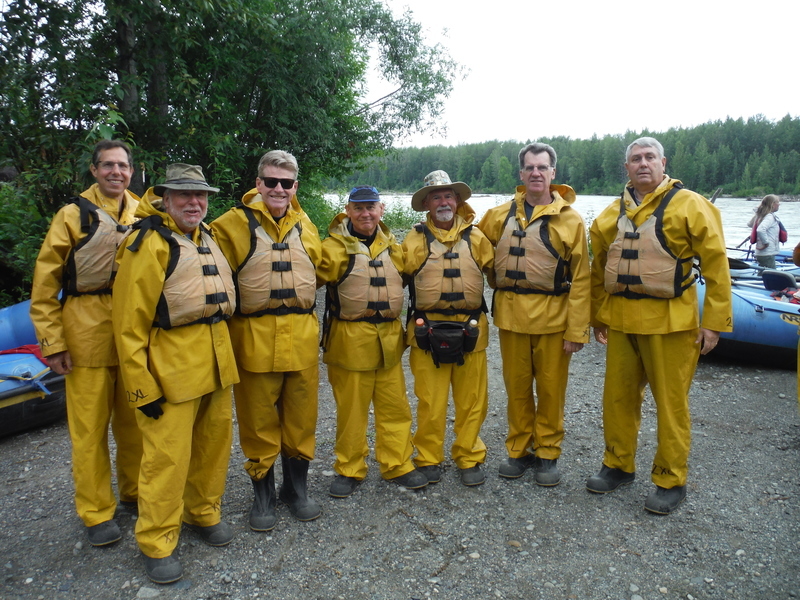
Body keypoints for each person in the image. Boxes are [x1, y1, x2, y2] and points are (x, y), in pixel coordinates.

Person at [587, 137, 733, 515]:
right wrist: (597, 316)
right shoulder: (608, 216)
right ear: (627, 168)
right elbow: (597, 270)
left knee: (671, 406)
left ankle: (670, 478)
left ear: (663, 162)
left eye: (650, 157)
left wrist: (714, 323)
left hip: (672, 323)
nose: (643, 164)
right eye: (635, 159)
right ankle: (618, 465)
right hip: (621, 321)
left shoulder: (691, 205)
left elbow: (717, 266)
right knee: (617, 400)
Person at [113, 164, 239, 584]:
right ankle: (157, 539)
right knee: (166, 460)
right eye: (183, 195)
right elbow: (128, 326)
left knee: (213, 446)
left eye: (200, 196)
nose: (193, 202)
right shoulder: (148, 243)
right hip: (171, 371)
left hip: (218, 363)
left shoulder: (209, 238)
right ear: (164, 199)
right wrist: (140, 386)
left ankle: (203, 511)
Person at [29, 139, 143, 547]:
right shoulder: (71, 216)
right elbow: (44, 286)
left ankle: (134, 492)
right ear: (94, 170)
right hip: (85, 336)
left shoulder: (143, 211)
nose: (116, 172)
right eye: (108, 165)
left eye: (123, 166)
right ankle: (96, 511)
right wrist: (53, 343)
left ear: (132, 171)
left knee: (135, 425)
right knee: (90, 431)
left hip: (134, 337)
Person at [211, 150, 322, 531]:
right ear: (258, 183)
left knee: (302, 417)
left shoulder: (306, 224)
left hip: (302, 340)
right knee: (258, 421)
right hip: (254, 338)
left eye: (286, 183)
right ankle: (263, 491)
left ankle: (297, 487)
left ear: (295, 187)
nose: (278, 189)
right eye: (271, 181)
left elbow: (318, 271)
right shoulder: (228, 225)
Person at [477, 143, 590, 486]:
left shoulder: (571, 221)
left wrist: (577, 330)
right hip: (511, 317)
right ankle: (518, 449)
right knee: (517, 388)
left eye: (543, 167)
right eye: (530, 168)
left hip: (554, 318)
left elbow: (583, 279)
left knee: (552, 389)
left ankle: (548, 453)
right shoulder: (498, 216)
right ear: (521, 174)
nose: (536, 173)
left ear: (553, 173)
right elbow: (472, 248)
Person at [317, 186, 428, 497]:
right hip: (349, 341)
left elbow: (415, 276)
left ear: (381, 210)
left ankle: (397, 464)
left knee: (395, 407)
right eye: (359, 208)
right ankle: (349, 468)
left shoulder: (394, 248)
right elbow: (307, 280)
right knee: (351, 410)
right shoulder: (332, 248)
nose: (366, 214)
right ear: (348, 211)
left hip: (390, 342)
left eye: (371, 207)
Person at [402, 171, 494, 486]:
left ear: (457, 201)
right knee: (430, 400)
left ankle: (468, 456)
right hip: (427, 331)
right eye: (437, 196)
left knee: (472, 401)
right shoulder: (413, 239)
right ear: (426, 203)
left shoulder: (477, 238)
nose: (444, 201)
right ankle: (428, 457)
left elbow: (498, 275)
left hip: (471, 331)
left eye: (449, 195)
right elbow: (394, 279)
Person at [747, 194, 783, 268]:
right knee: (772, 275)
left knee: (763, 272)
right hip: (767, 253)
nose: (779, 204)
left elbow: (750, 224)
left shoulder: (762, 215)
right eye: (778, 202)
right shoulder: (769, 217)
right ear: (772, 204)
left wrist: (757, 215)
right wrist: (766, 243)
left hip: (761, 253)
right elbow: (760, 229)